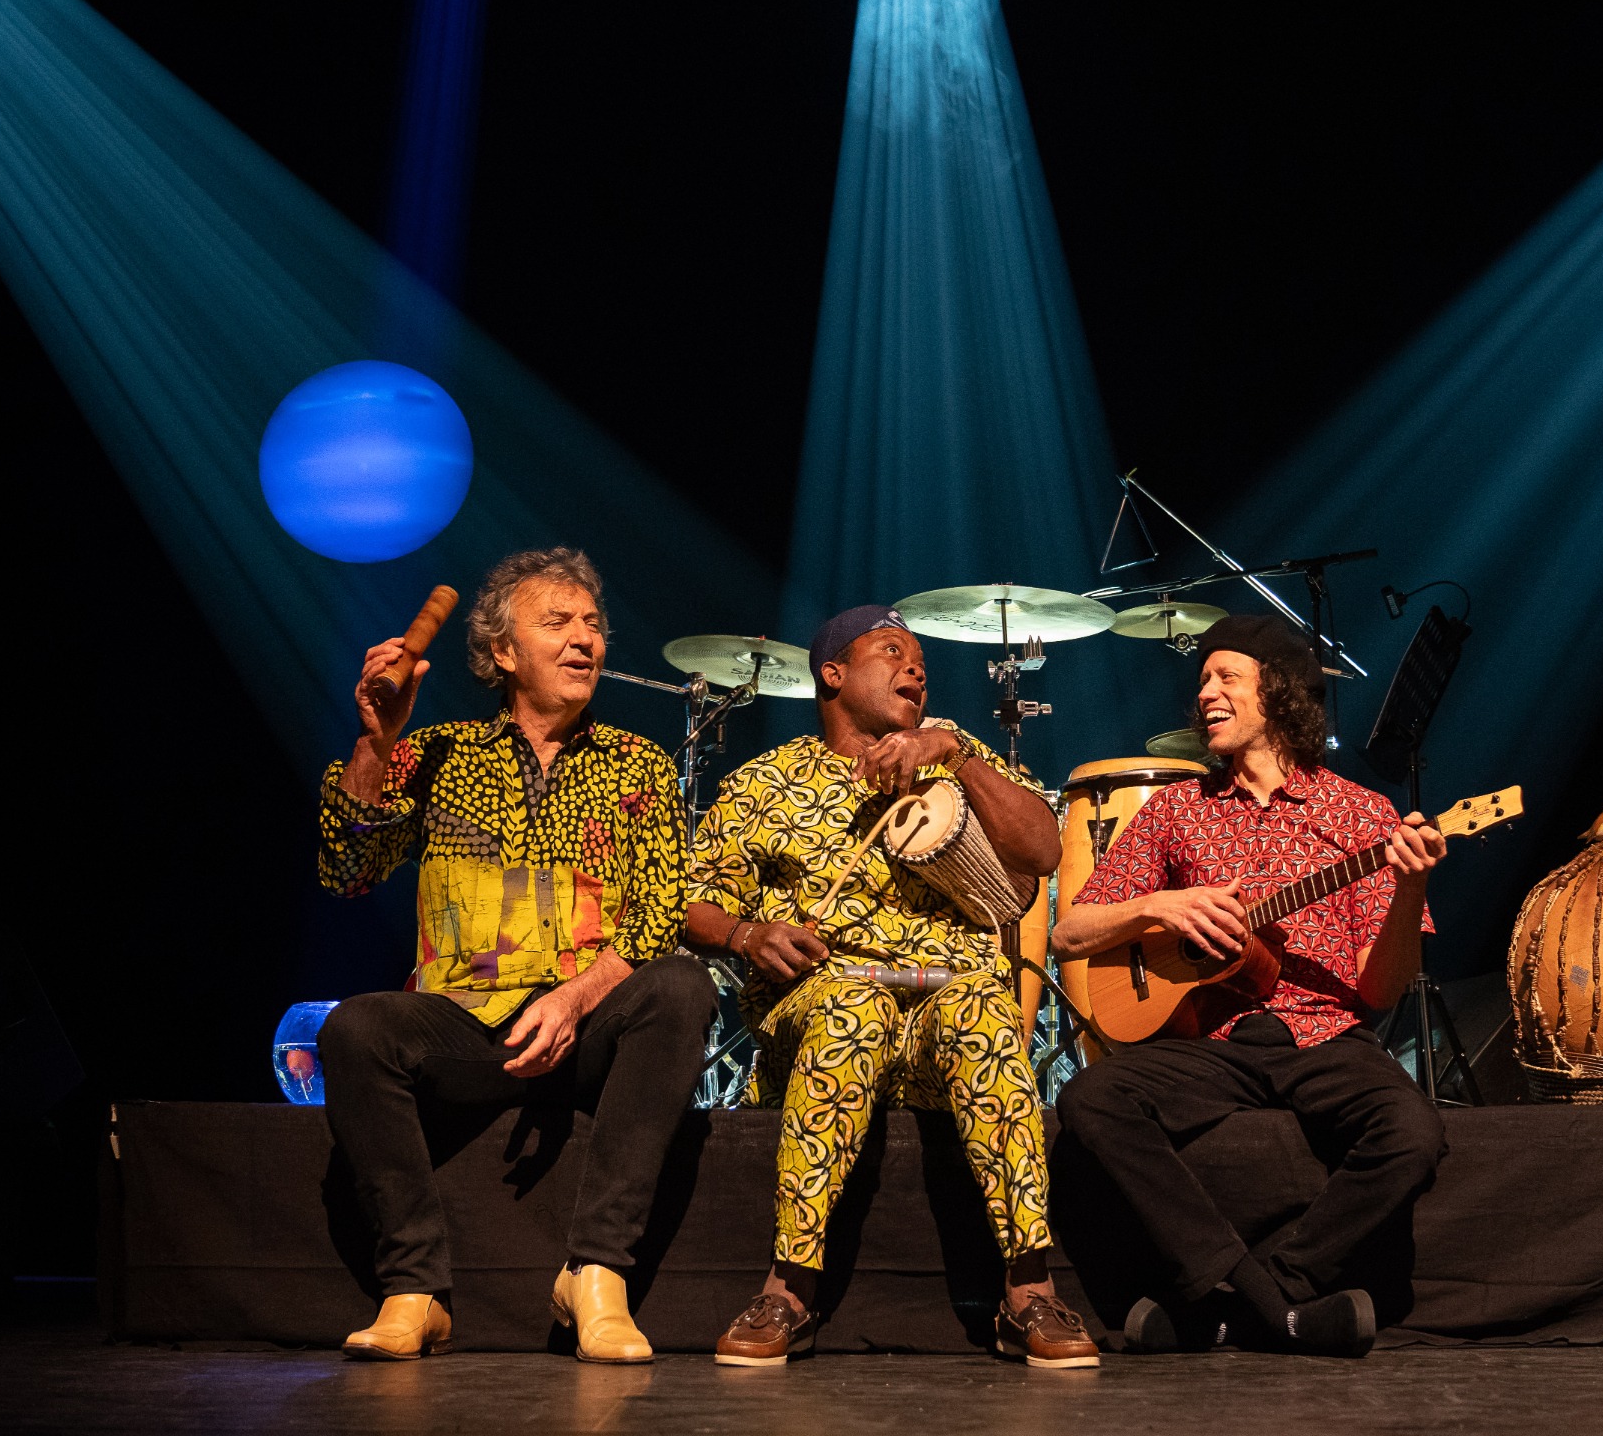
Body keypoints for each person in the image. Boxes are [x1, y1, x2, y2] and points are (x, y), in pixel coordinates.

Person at [314, 547, 714, 1363]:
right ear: (502, 651)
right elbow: (346, 871)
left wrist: (572, 999)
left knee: (681, 984)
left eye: (593, 624)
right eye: (557, 623)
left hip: (587, 1028)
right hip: (467, 1023)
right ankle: (414, 1291)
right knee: (355, 1027)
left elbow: (657, 916)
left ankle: (595, 1275)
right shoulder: (436, 755)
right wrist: (377, 742)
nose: (584, 639)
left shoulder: (639, 764)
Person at [681, 606, 1098, 1368]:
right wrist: (747, 934)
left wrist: (958, 754)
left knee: (982, 1007)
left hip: (942, 1004)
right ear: (832, 674)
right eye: (891, 651)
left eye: (921, 661)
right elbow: (692, 904)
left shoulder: (956, 760)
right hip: (828, 1002)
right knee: (854, 1003)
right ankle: (788, 1289)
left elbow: (1043, 850)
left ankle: (1029, 1294)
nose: (915, 668)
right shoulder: (766, 783)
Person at [1049, 614, 1448, 1356]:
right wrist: (1157, 906)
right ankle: (1280, 1310)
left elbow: (1381, 991)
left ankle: (1250, 1297)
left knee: (1413, 1134)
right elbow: (1069, 933)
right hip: (1213, 1040)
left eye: (1226, 676)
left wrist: (1410, 888)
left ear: (1280, 693)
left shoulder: (1362, 814)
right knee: (1090, 1100)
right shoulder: (1177, 809)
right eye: (1202, 679)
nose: (1205, 692)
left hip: (1324, 1036)